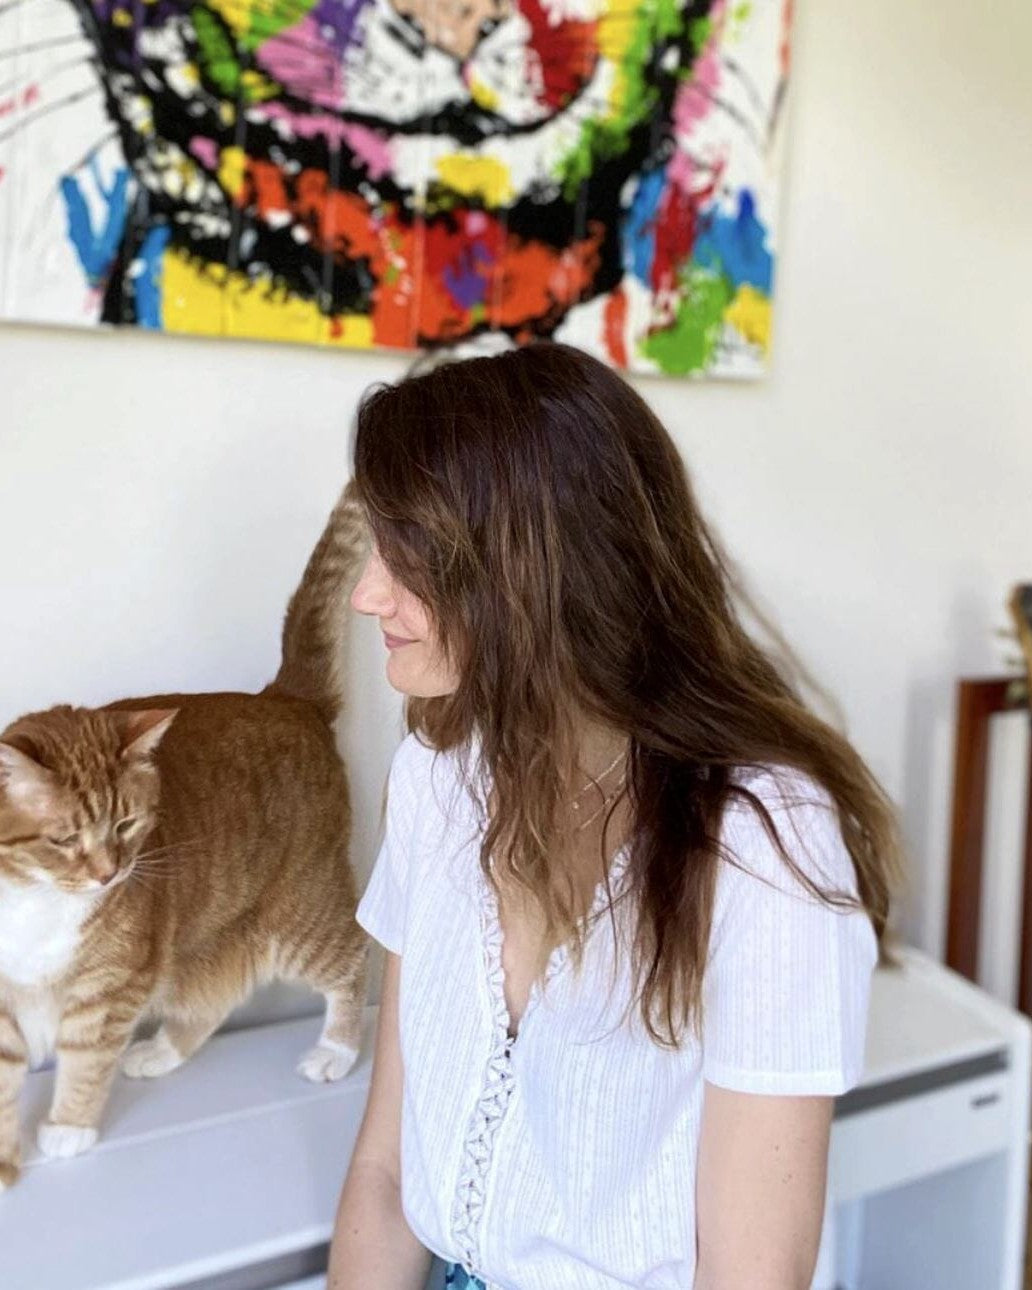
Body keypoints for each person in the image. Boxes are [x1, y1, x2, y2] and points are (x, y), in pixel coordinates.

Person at [327, 342, 900, 1290]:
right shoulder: (437, 769)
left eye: (409, 556)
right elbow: (386, 1170)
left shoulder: (765, 843)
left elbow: (751, 1278)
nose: (366, 594)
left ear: (537, 570)